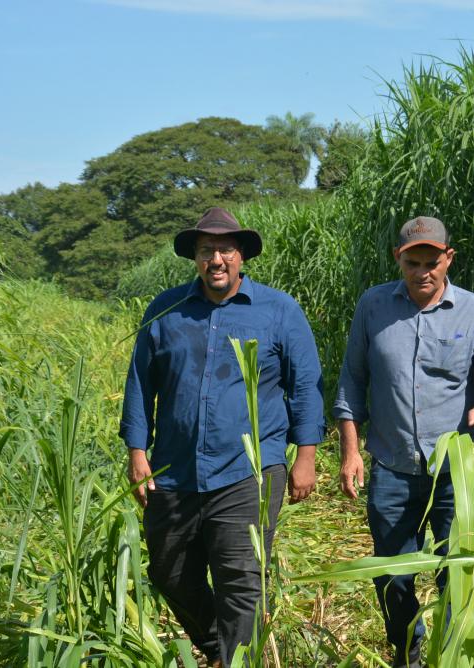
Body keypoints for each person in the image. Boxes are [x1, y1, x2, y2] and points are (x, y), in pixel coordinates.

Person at [120, 207, 325, 667]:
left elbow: (306, 385)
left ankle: (235, 660)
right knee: (169, 570)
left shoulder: (278, 310)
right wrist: (137, 451)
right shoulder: (167, 310)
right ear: (195, 257)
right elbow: (140, 383)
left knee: (241, 576)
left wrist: (305, 456)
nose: (216, 259)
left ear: (240, 256)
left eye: (225, 249)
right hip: (174, 468)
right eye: (206, 249)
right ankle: (216, 645)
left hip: (248, 469)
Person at [334, 215, 474, 668]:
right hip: (392, 466)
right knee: (392, 574)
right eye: (413, 262)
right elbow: (352, 382)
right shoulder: (372, 307)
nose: (423, 272)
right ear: (399, 260)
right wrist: (351, 452)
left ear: (448, 258)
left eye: (432, 262)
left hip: (458, 470)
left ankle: (449, 654)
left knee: (458, 572)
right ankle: (407, 652)